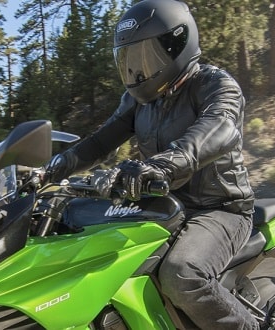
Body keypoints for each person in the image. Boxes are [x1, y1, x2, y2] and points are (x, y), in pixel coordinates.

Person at [42, 0, 261, 328]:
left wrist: (166, 163)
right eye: (130, 60)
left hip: (219, 209)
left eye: (146, 57)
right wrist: (53, 167)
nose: (138, 70)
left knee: (181, 274)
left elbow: (220, 127)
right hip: (161, 206)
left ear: (177, 43)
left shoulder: (214, 84)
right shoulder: (138, 101)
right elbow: (101, 142)